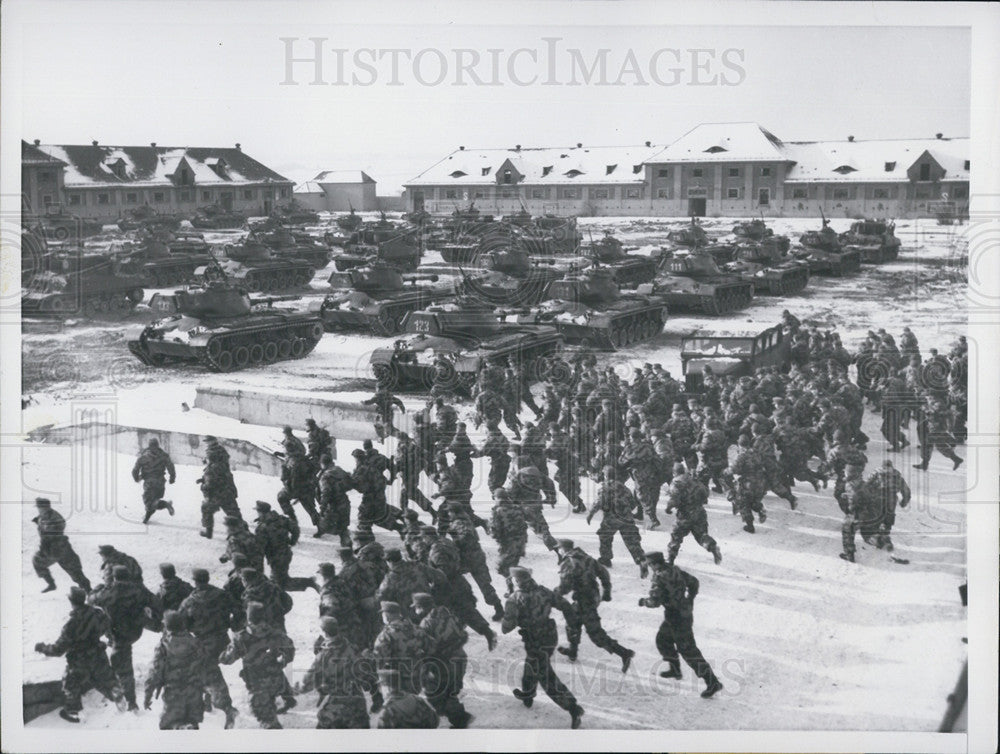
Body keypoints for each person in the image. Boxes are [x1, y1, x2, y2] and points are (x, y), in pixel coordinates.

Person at [501, 567, 585, 729]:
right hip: (549, 636)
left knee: (545, 677)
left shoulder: (514, 599)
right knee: (531, 665)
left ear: (517, 581)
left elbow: (506, 627)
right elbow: (565, 605)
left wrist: (510, 607)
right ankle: (528, 693)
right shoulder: (543, 591)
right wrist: (573, 624)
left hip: (534, 640)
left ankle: (573, 708)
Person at [34, 586, 126, 723]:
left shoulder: (71, 624)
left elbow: (58, 650)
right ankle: (116, 694)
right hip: (98, 654)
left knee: (70, 683)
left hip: (79, 660)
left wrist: (42, 648)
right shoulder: (98, 613)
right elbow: (107, 624)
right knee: (105, 678)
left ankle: (73, 712)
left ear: (71, 601)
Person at [638, 551, 723, 698]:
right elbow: (694, 582)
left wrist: (643, 602)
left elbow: (654, 602)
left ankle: (712, 682)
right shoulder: (674, 570)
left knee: (688, 651)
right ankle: (675, 669)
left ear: (654, 564)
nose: (649, 566)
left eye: (649, 564)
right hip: (682, 613)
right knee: (663, 640)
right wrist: (690, 598)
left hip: (676, 617)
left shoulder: (659, 577)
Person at [553, 539, 634, 671]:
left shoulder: (568, 562)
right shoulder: (586, 557)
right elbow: (603, 572)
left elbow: (565, 587)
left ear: (564, 549)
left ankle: (624, 653)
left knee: (595, 633)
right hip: (592, 597)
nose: (558, 551)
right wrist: (606, 590)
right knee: (573, 623)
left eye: (559, 549)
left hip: (584, 600)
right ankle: (572, 652)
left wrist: (554, 594)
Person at [90, 565, 160, 711]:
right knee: (120, 660)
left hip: (118, 634)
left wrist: (97, 589)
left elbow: (92, 600)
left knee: (123, 667)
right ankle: (127, 695)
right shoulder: (138, 589)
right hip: (135, 631)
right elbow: (155, 602)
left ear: (114, 577)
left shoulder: (110, 592)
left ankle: (131, 701)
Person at [177, 568, 240, 728]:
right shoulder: (222, 594)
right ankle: (207, 702)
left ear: (195, 581)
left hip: (204, 644)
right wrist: (233, 625)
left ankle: (227, 708)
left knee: (210, 674)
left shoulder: (189, 602)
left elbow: (180, 625)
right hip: (223, 640)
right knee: (203, 671)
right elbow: (238, 610)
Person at [220, 602, 296, 729]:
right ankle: (288, 699)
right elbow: (290, 649)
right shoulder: (276, 633)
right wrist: (283, 660)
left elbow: (227, 659)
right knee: (273, 695)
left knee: (268, 721)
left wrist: (222, 655)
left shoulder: (241, 638)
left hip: (257, 687)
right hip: (276, 680)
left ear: (249, 619)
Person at [294, 616, 372, 729]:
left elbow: (309, 681)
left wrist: (298, 689)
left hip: (336, 706)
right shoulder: (352, 648)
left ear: (324, 632)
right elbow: (364, 674)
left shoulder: (323, 656)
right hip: (358, 704)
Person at [412, 592, 472, 728]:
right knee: (451, 690)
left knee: (436, 692)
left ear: (422, 607)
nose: (416, 611)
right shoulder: (449, 614)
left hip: (443, 662)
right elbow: (463, 633)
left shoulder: (426, 623)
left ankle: (460, 720)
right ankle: (453, 714)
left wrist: (426, 668)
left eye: (416, 607)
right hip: (460, 657)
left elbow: (426, 648)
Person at [143, 610, 207, 729]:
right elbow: (204, 667)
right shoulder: (196, 643)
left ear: (167, 627)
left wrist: (148, 695)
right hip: (195, 692)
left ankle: (179, 729)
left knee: (168, 727)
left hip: (174, 694)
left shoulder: (163, 647)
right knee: (193, 724)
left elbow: (154, 673)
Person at [586, 466, 646, 576]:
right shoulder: (624, 487)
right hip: (627, 518)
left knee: (605, 536)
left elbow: (598, 502)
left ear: (605, 476)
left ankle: (606, 558)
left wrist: (590, 514)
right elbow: (633, 503)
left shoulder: (604, 487)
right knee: (632, 540)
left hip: (611, 518)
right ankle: (641, 559)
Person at [665, 463, 722, 566]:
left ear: (674, 472)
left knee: (676, 537)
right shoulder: (694, 480)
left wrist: (668, 508)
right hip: (699, 512)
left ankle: (670, 560)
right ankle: (712, 546)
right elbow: (705, 493)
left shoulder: (676, 482)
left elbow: (674, 499)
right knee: (701, 535)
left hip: (685, 515)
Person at [31, 498, 91, 592]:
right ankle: (51, 584)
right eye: (38, 507)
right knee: (37, 561)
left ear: (45, 507)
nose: (38, 509)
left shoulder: (54, 517)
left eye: (39, 507)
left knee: (75, 571)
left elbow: (53, 532)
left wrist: (46, 541)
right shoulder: (43, 516)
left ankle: (88, 590)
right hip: (52, 549)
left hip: (60, 548)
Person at [375, 669, 440, 729]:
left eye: (381, 686)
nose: (380, 690)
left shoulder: (386, 712)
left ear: (388, 688)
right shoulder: (419, 700)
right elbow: (435, 721)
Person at [131, 438, 176, 523]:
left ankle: (166, 504)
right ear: (157, 445)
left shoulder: (143, 456)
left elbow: (135, 470)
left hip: (150, 483)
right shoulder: (164, 455)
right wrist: (172, 477)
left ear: (149, 446)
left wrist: (136, 478)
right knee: (154, 501)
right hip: (160, 483)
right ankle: (146, 518)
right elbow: (171, 467)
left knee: (149, 502)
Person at [316, 454, 354, 545]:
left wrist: (322, 507)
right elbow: (351, 483)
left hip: (333, 506)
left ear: (323, 464)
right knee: (343, 529)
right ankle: (347, 549)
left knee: (328, 524)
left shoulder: (325, 476)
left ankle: (321, 531)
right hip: (344, 502)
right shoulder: (340, 470)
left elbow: (326, 492)